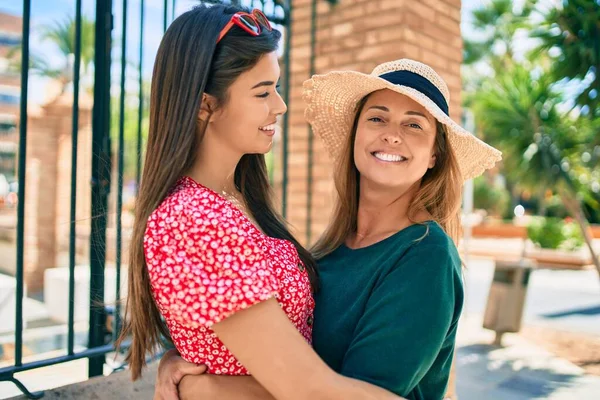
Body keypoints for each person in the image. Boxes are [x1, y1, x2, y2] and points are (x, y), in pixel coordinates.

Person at [154, 57, 502, 400]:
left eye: (414, 125)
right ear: (356, 135)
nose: (392, 136)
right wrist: (185, 359)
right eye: (377, 118)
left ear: (433, 156)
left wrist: (204, 387)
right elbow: (275, 354)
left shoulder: (426, 256)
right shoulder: (329, 251)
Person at [117, 4, 416, 400]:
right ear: (206, 104)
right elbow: (307, 389)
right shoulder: (193, 220)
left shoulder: (236, 201)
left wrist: (198, 379)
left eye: (275, 87)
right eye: (263, 92)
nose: (280, 105)